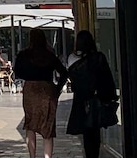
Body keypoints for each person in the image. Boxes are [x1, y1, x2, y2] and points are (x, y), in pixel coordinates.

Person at [14, 28, 68, 158]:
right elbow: (64, 73)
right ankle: (47, 156)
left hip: (30, 90)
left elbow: (17, 72)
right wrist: (57, 88)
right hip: (47, 89)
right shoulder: (49, 55)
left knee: (30, 124)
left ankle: (32, 156)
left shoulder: (23, 55)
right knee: (48, 126)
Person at [66, 30, 117, 158]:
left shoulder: (72, 59)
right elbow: (107, 79)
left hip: (81, 100)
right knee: (95, 131)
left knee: (86, 133)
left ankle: (89, 154)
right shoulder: (99, 58)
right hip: (96, 99)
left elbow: (72, 80)